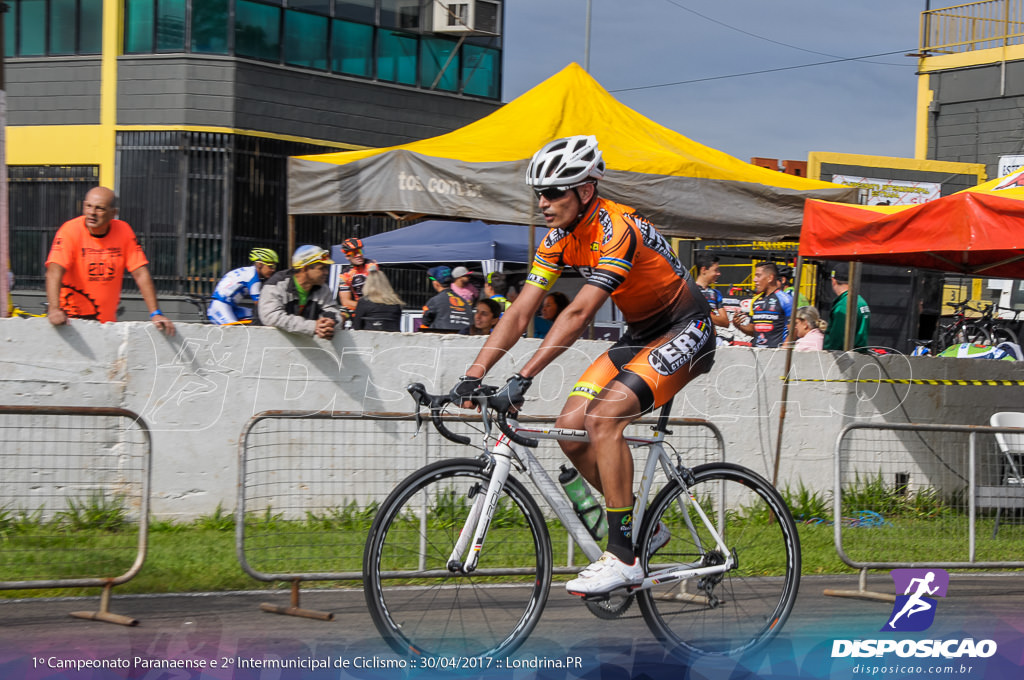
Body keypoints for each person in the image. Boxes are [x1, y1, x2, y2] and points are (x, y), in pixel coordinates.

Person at [448, 135, 715, 596]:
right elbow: (518, 313)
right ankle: (643, 534)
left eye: (553, 193)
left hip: (684, 328)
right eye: (539, 193)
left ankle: (625, 558)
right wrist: (473, 374)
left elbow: (577, 314)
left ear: (585, 190)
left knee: (604, 417)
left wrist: (523, 377)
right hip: (638, 338)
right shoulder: (558, 239)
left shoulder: (617, 228)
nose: (543, 203)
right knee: (572, 429)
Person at [45, 186, 175, 335]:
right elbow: (54, 271)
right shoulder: (70, 230)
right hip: (69, 324)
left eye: (100, 209)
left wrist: (155, 313)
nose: (92, 213)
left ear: (113, 213)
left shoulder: (124, 231)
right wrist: (54, 309)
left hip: (106, 327)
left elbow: (140, 273)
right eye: (88, 206)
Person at [258, 245, 340, 339]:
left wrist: (330, 323)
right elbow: (271, 316)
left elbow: (333, 311)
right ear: (304, 268)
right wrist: (312, 326)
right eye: (322, 268)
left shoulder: (323, 288)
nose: (326, 272)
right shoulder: (275, 285)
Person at [207, 247, 279, 325]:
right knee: (232, 331)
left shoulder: (249, 272)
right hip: (220, 306)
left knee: (252, 315)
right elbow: (259, 304)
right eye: (271, 266)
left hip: (230, 306)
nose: (273, 270)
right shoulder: (253, 278)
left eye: (275, 267)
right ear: (259, 264)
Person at [732, 261, 792, 348]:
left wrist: (783, 351)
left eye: (758, 275)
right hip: (758, 353)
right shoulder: (756, 301)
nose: (754, 279)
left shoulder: (785, 299)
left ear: (770, 278)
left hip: (776, 354)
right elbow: (753, 330)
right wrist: (738, 325)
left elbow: (794, 330)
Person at [823, 262, 871, 351]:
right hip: (860, 356)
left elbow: (837, 340)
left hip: (843, 359)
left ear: (833, 281)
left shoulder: (843, 305)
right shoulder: (861, 301)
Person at [420, 266, 472, 333]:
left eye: (432, 279)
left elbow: (425, 323)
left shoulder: (434, 301)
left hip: (442, 340)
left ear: (436, 283)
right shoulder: (465, 302)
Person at [337, 237, 378, 315]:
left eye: (360, 251)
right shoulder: (344, 275)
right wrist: (366, 308)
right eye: (354, 253)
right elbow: (345, 302)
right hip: (359, 311)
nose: (359, 255)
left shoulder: (371, 265)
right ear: (347, 256)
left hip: (376, 308)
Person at [693, 251, 730, 328]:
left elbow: (725, 322)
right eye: (716, 270)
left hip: (711, 337)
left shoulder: (715, 293)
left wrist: (700, 314)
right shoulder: (689, 290)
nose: (719, 273)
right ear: (704, 270)